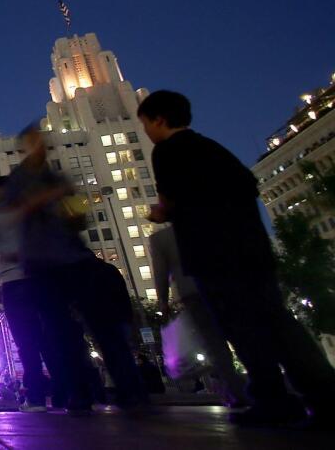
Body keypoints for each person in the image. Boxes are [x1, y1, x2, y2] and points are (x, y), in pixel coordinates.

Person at [140, 90, 335, 427]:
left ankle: (272, 400)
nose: (147, 132)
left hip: (213, 253)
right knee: (278, 323)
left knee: (241, 328)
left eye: (146, 124)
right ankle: (324, 396)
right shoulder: (215, 149)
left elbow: (172, 200)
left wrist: (161, 213)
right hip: (252, 249)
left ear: (159, 119)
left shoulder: (168, 151)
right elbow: (248, 185)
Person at [7, 123, 145, 414]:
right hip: (43, 266)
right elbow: (16, 215)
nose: (41, 145)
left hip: (75, 259)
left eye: (43, 140)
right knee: (61, 333)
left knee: (101, 326)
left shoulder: (56, 177)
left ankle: (128, 390)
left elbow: (79, 218)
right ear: (25, 146)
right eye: (34, 141)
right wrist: (48, 199)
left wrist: (74, 207)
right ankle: (79, 394)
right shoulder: (19, 181)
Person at [149, 226, 248, 407]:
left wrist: (163, 301)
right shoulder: (209, 225)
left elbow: (160, 273)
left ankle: (236, 392)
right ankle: (259, 387)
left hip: (194, 293)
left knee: (215, 344)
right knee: (242, 336)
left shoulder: (161, 238)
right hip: (228, 287)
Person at [0, 174, 53, 412]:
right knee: (45, 337)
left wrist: (18, 254)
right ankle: (62, 394)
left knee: (27, 340)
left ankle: (37, 398)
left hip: (16, 281)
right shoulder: (30, 212)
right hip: (37, 279)